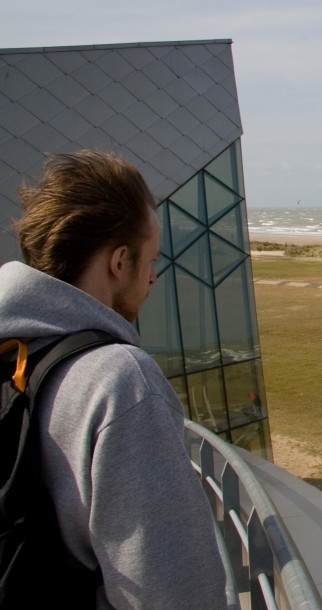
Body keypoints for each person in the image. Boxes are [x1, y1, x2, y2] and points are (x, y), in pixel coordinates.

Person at [0, 151, 226, 608]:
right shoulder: (119, 379)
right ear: (119, 261)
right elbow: (174, 593)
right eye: (150, 260)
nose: (153, 278)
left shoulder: (12, 352)